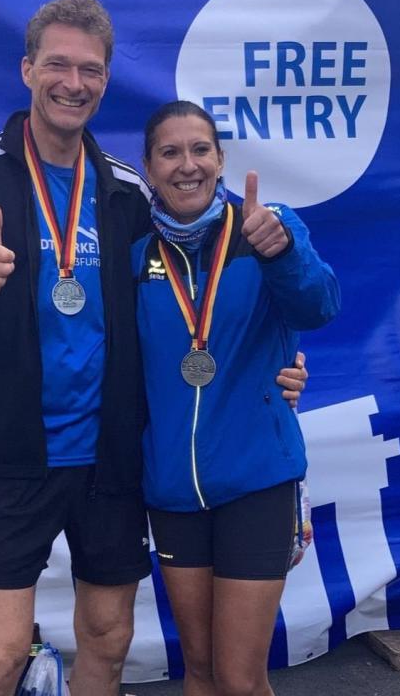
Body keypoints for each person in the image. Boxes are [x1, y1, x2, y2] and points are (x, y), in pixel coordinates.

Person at [0, 0, 307, 696]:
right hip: (18, 456)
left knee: (108, 639)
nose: (73, 83)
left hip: (115, 456)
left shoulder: (126, 190)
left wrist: (281, 366)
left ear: (106, 80)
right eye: (57, 65)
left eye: (90, 70)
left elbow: (195, 296)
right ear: (27, 70)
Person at [132, 100, 341, 696]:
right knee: (198, 671)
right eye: (170, 152)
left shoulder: (265, 229)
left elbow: (319, 307)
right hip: (173, 490)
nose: (187, 165)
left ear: (221, 159)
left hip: (257, 481)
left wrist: (283, 253)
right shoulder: (136, 254)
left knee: (240, 677)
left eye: (201, 149)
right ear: (149, 168)